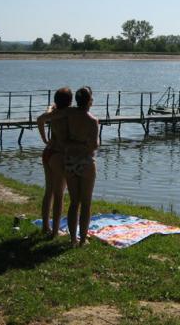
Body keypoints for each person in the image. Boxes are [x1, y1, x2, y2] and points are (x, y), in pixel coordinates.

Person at [63, 87, 99, 247]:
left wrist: (73, 143)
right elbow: (94, 146)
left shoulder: (69, 114)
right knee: (86, 203)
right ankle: (83, 239)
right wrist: (84, 144)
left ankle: (72, 239)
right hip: (86, 162)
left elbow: (64, 137)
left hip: (70, 160)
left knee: (74, 202)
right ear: (89, 101)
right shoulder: (92, 120)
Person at [37, 87, 73, 238]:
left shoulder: (53, 113)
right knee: (59, 194)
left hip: (48, 152)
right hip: (59, 155)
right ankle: (55, 230)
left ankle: (46, 226)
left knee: (49, 191)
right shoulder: (69, 113)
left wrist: (44, 139)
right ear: (70, 101)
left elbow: (40, 119)